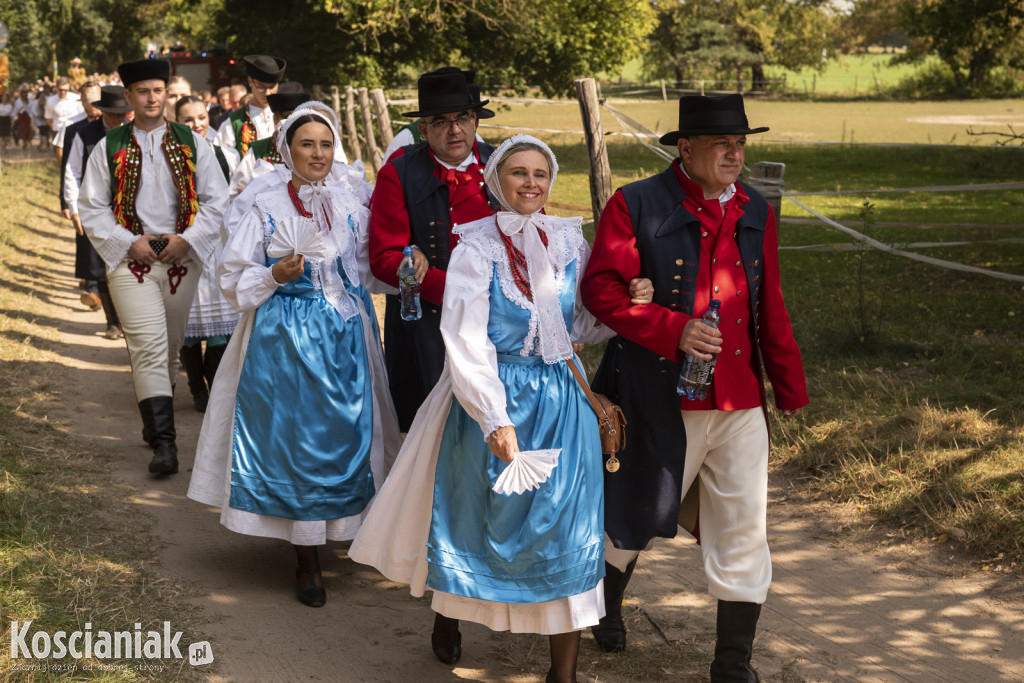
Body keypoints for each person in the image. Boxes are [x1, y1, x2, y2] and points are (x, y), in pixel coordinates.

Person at [351, 135, 652, 683]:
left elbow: (579, 324)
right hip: (494, 393)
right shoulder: (475, 246)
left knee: (570, 528)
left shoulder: (567, 241)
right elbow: (465, 339)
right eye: (518, 172)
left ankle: (564, 672)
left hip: (563, 397)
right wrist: (494, 415)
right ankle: (451, 616)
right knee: (475, 520)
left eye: (540, 173)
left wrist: (628, 303)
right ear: (496, 181)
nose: (531, 183)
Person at [580, 94, 809, 681]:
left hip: (736, 399)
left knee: (743, 526)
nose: (736, 155)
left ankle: (732, 664)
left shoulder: (756, 208)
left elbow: (770, 303)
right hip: (656, 396)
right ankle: (605, 609)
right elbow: (601, 291)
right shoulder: (635, 203)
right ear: (686, 148)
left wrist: (786, 385)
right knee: (633, 514)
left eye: (741, 145)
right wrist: (673, 329)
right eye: (723, 145)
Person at [187, 103, 399, 608]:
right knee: (299, 444)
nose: (318, 153)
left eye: (326, 144)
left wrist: (406, 269)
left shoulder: (352, 201)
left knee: (349, 436)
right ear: (287, 150)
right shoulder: (263, 204)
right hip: (284, 338)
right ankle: (307, 558)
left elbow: (369, 270)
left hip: (349, 335)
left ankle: (345, 529)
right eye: (307, 144)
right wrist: (275, 276)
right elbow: (234, 282)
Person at [78, 59, 229, 475]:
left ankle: (154, 420)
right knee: (147, 345)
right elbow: (91, 206)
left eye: (157, 90)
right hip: (132, 259)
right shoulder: (108, 146)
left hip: (182, 258)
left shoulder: (193, 142)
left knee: (169, 349)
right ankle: (166, 444)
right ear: (128, 97)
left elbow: (217, 200)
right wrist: (130, 243)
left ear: (167, 94)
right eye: (141, 91)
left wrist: (189, 240)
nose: (150, 98)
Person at [368, 66, 498, 431]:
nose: (454, 130)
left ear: (475, 119)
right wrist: (415, 265)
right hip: (426, 325)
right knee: (433, 429)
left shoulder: (503, 163)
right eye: (440, 121)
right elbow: (383, 259)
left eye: (462, 118)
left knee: (495, 420)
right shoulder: (399, 172)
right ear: (423, 128)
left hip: (498, 318)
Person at [174, 95, 241, 412]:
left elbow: (237, 199)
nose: (197, 124)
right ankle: (195, 384)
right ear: (176, 122)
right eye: (188, 119)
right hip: (182, 244)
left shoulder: (226, 154)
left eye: (201, 117)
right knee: (188, 322)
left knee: (220, 322)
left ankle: (214, 383)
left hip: (217, 244)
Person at [62, 85, 132, 340]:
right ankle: (112, 322)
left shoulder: (135, 132)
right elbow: (72, 173)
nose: (117, 119)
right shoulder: (84, 134)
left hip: (129, 212)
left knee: (127, 265)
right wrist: (75, 209)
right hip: (95, 210)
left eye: (121, 114)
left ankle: (130, 321)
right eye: (112, 114)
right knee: (101, 267)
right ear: (102, 111)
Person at [228, 82, 323, 198]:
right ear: (276, 119)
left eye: (300, 117)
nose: (294, 122)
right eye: (288, 116)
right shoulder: (257, 151)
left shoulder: (321, 149)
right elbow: (236, 194)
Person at [214, 56, 284, 156]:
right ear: (250, 81)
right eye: (261, 88)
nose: (267, 93)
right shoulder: (235, 120)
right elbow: (223, 157)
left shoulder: (285, 114)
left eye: (272, 87)